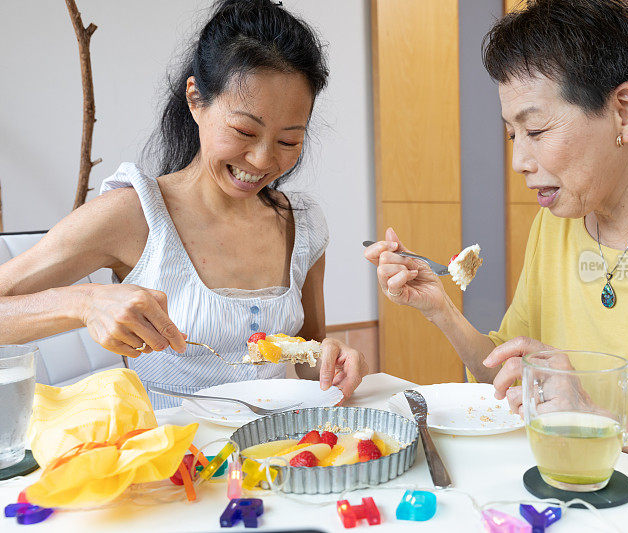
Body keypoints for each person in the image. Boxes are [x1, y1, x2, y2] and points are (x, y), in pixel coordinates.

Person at [365, 0, 628, 492]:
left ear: (625, 113)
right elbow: (518, 382)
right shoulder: (560, 221)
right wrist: (441, 310)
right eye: (511, 135)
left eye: (535, 130)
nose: (519, 161)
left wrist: (599, 419)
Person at [0, 0, 367, 408]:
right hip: (168, 461)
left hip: (272, 457)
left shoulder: (304, 224)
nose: (263, 161)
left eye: (288, 141)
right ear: (195, 99)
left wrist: (331, 358)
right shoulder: (134, 215)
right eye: (244, 130)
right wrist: (84, 302)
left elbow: (307, 349)